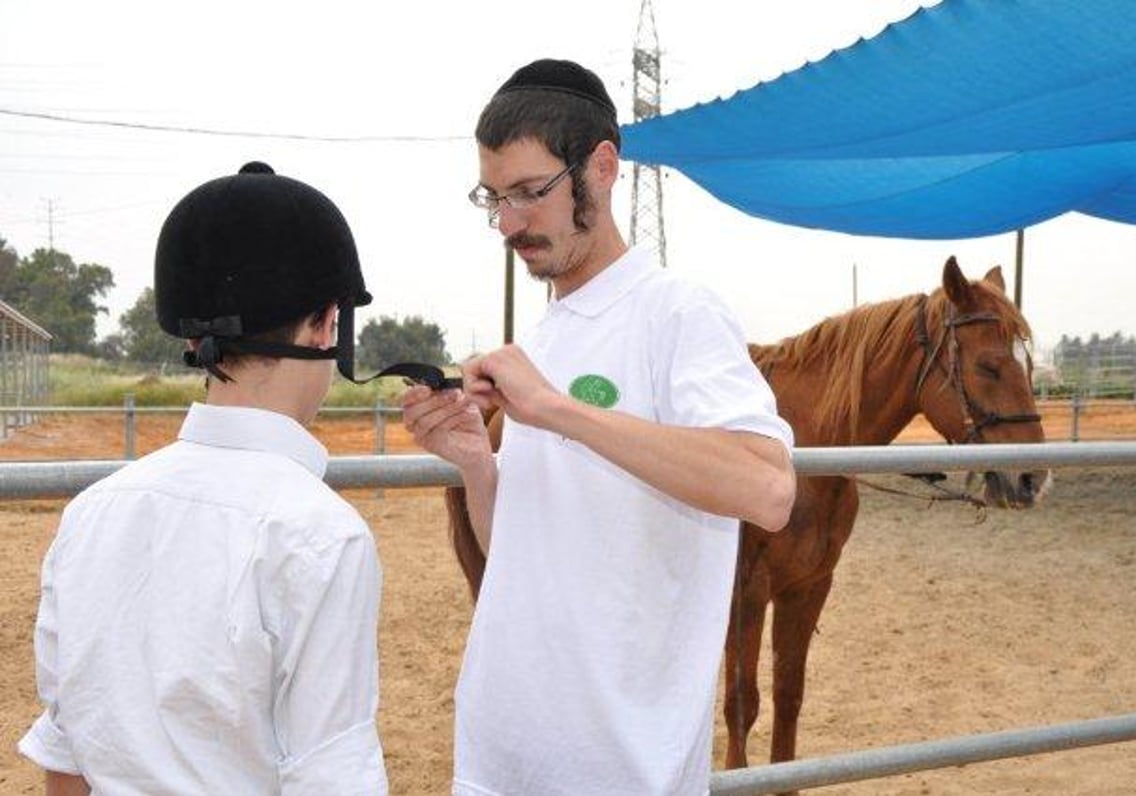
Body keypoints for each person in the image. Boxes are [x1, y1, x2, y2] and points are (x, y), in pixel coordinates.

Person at [402, 59, 797, 795]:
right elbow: (519, 548)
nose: (510, 223)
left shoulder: (676, 312)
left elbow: (768, 486)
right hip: (501, 752)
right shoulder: (548, 334)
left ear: (603, 167)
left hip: (619, 766)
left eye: (530, 193)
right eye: (494, 198)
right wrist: (476, 466)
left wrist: (559, 410)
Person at [18, 162, 389, 795]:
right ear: (326, 323)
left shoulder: (92, 513)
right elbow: (331, 776)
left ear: (194, 341)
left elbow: (67, 759)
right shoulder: (321, 535)